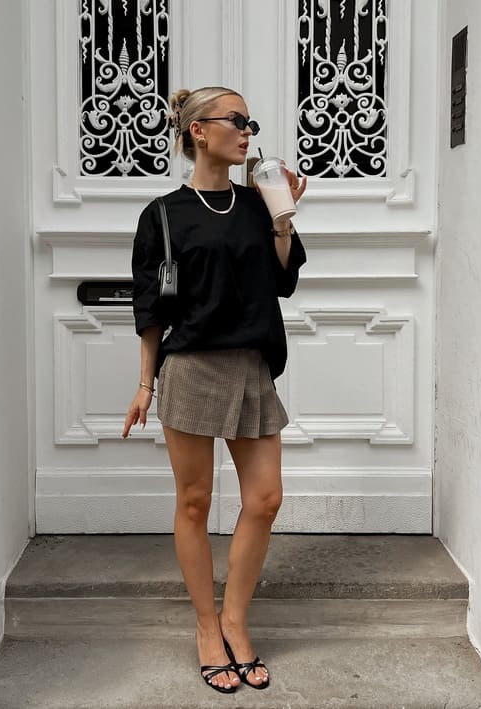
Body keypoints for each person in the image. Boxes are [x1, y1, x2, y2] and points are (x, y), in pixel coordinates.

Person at [122, 86, 307, 694]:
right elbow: (150, 306)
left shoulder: (258, 205)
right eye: (237, 121)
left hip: (251, 362)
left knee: (265, 498)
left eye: (252, 122)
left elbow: (283, 280)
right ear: (199, 130)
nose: (249, 131)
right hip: (193, 366)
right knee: (195, 502)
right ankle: (207, 627)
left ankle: (235, 617)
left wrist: (282, 220)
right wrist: (145, 383)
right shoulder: (164, 214)